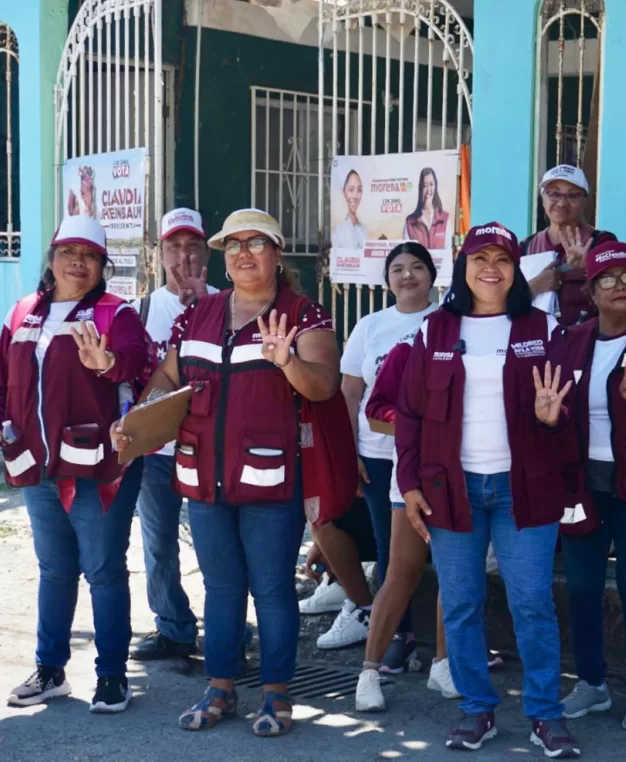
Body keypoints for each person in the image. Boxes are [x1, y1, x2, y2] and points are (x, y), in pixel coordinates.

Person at [115, 209, 341, 737]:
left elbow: (325, 386)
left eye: (256, 243)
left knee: (272, 589)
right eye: (233, 245)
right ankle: (219, 687)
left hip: (271, 482)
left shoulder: (303, 314)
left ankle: (276, 693)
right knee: (220, 587)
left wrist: (287, 361)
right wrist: (136, 421)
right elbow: (167, 376)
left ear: (277, 254)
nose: (243, 253)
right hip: (204, 478)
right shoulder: (200, 313)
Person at [396, 222, 581, 758]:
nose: (491, 268)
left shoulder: (543, 327)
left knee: (532, 603)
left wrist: (551, 416)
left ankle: (545, 714)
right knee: (460, 604)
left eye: (502, 259)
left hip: (525, 488)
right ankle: (477, 708)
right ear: (464, 268)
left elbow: (566, 417)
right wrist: (409, 483)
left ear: (516, 269)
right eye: (480, 258)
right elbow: (409, 414)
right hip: (450, 488)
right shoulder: (435, 329)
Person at [0, 215, 149, 713]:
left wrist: (108, 364)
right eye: (68, 252)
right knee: (55, 569)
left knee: (103, 570)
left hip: (98, 470)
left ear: (102, 266)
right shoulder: (22, 313)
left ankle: (112, 675)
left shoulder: (116, 314)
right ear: (51, 260)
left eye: (90, 255)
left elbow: (138, 365)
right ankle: (50, 670)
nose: (78, 262)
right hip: (38, 467)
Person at [554, 241, 626, 732]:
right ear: (591, 292)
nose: (620, 286)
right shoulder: (570, 338)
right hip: (580, 485)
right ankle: (591, 683)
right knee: (582, 588)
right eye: (607, 279)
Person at [332, 242, 439, 663]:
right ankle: (400, 634)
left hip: (434, 456)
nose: (408, 275)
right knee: (388, 549)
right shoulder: (370, 326)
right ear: (387, 280)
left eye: (417, 267)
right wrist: (350, 451)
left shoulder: (447, 321)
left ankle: (449, 648)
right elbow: (350, 392)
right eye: (398, 269)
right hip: (378, 453)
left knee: (445, 549)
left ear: (432, 275)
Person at [128, 208, 218, 662]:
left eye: (193, 246)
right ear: (159, 254)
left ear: (207, 252)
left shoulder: (227, 304)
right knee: (158, 543)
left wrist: (201, 307)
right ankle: (173, 627)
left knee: (218, 547)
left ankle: (226, 632)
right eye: (174, 247)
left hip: (212, 449)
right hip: (159, 451)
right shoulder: (139, 312)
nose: (184, 257)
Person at [354, 337, 458, 711]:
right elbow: (375, 411)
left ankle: (444, 665)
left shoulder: (487, 347)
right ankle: (368, 673)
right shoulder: (408, 350)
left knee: (456, 575)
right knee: (400, 573)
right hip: (413, 477)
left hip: (469, 479)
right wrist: (419, 422)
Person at [524, 164, 616, 326]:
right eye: (554, 194)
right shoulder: (527, 247)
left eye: (572, 195)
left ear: (584, 201)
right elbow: (504, 303)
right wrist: (534, 286)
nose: (561, 203)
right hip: (535, 337)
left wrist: (588, 268)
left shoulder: (602, 243)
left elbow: (616, 297)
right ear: (543, 199)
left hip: (586, 337)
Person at [403, 167, 450, 249]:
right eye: (425, 186)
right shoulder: (410, 222)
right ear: (420, 189)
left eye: (431, 185)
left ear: (435, 186)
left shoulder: (445, 219)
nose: (428, 190)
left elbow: (448, 251)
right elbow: (406, 253)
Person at [332, 169, 366, 249]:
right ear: (344, 192)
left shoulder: (364, 231)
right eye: (351, 190)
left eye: (359, 190)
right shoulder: (338, 231)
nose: (355, 196)